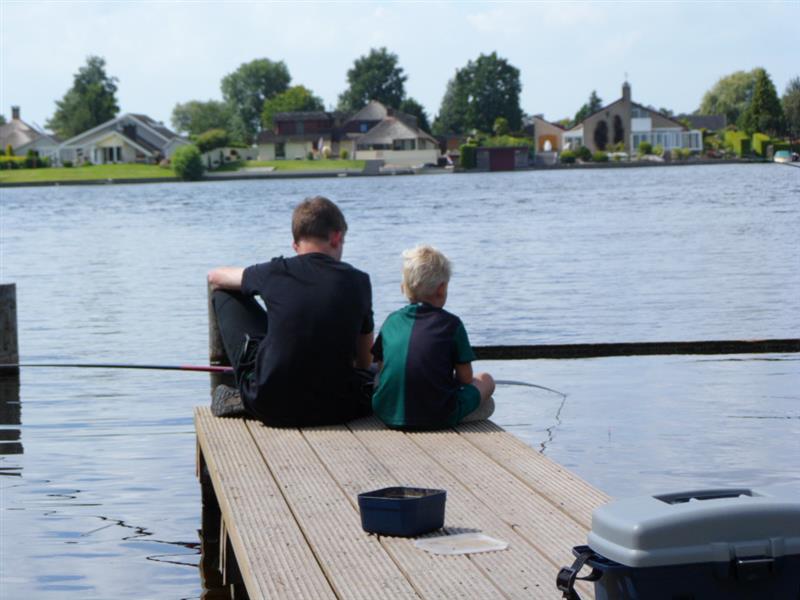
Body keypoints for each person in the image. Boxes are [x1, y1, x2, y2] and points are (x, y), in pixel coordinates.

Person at [207, 196, 374, 426]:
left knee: (224, 293)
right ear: (337, 238)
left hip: (268, 406)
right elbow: (364, 361)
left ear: (296, 246)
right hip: (337, 408)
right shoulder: (359, 280)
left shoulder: (275, 271)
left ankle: (242, 389)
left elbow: (215, 277)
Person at [371, 244, 495, 430]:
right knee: (486, 380)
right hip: (439, 416)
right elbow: (466, 378)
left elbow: (382, 367)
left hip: (387, 413)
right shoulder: (452, 324)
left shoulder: (391, 321)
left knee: (378, 378)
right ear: (442, 288)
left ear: (403, 288)